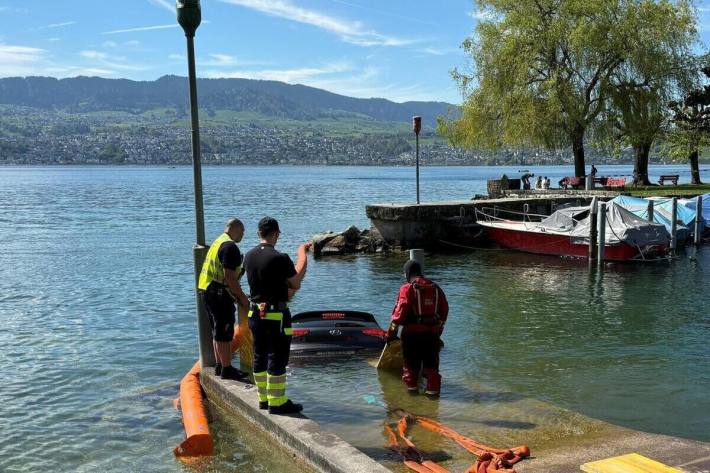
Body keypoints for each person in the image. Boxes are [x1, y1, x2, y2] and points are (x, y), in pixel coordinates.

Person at [243, 217, 311, 414]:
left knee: (259, 355)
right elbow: (295, 283)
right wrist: (303, 255)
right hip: (276, 315)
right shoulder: (280, 258)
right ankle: (277, 402)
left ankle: (263, 399)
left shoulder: (248, 256)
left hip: (255, 313)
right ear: (276, 234)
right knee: (277, 357)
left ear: (258, 234)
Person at [386, 260, 449, 396]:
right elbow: (444, 311)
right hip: (432, 336)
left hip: (411, 336)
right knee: (432, 369)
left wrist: (390, 334)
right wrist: (438, 333)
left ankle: (413, 400)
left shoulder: (407, 288)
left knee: (411, 368)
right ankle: (433, 402)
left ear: (408, 273)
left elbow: (398, 316)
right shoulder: (436, 288)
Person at [198, 218, 250, 380]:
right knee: (224, 332)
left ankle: (221, 365)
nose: (243, 234)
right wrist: (241, 297)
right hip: (219, 294)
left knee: (218, 331)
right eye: (242, 231)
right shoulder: (230, 247)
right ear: (235, 229)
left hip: (208, 289)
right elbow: (230, 277)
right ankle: (227, 369)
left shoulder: (218, 241)